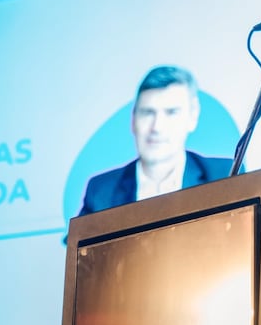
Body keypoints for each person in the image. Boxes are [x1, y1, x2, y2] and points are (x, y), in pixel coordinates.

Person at [77, 65, 234, 216]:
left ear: (192, 117)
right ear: (133, 120)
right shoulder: (101, 191)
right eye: (147, 113)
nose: (157, 127)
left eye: (171, 112)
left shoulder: (224, 177)